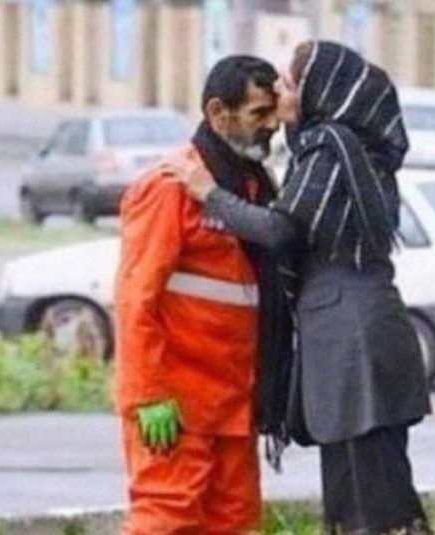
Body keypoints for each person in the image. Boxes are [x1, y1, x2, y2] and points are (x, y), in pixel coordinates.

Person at [175, 41, 433, 534]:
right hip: (353, 331)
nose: (279, 93)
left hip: (352, 337)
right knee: (355, 491)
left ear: (320, 92)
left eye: (289, 84)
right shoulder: (343, 152)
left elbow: (280, 230)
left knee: (373, 499)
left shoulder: (328, 150)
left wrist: (210, 194)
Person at [113, 54, 292, 534]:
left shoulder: (249, 188)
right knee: (166, 519)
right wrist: (148, 394)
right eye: (259, 113)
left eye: (274, 112)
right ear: (218, 113)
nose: (272, 125)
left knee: (234, 523)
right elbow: (135, 299)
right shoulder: (171, 187)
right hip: (177, 402)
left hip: (233, 401)